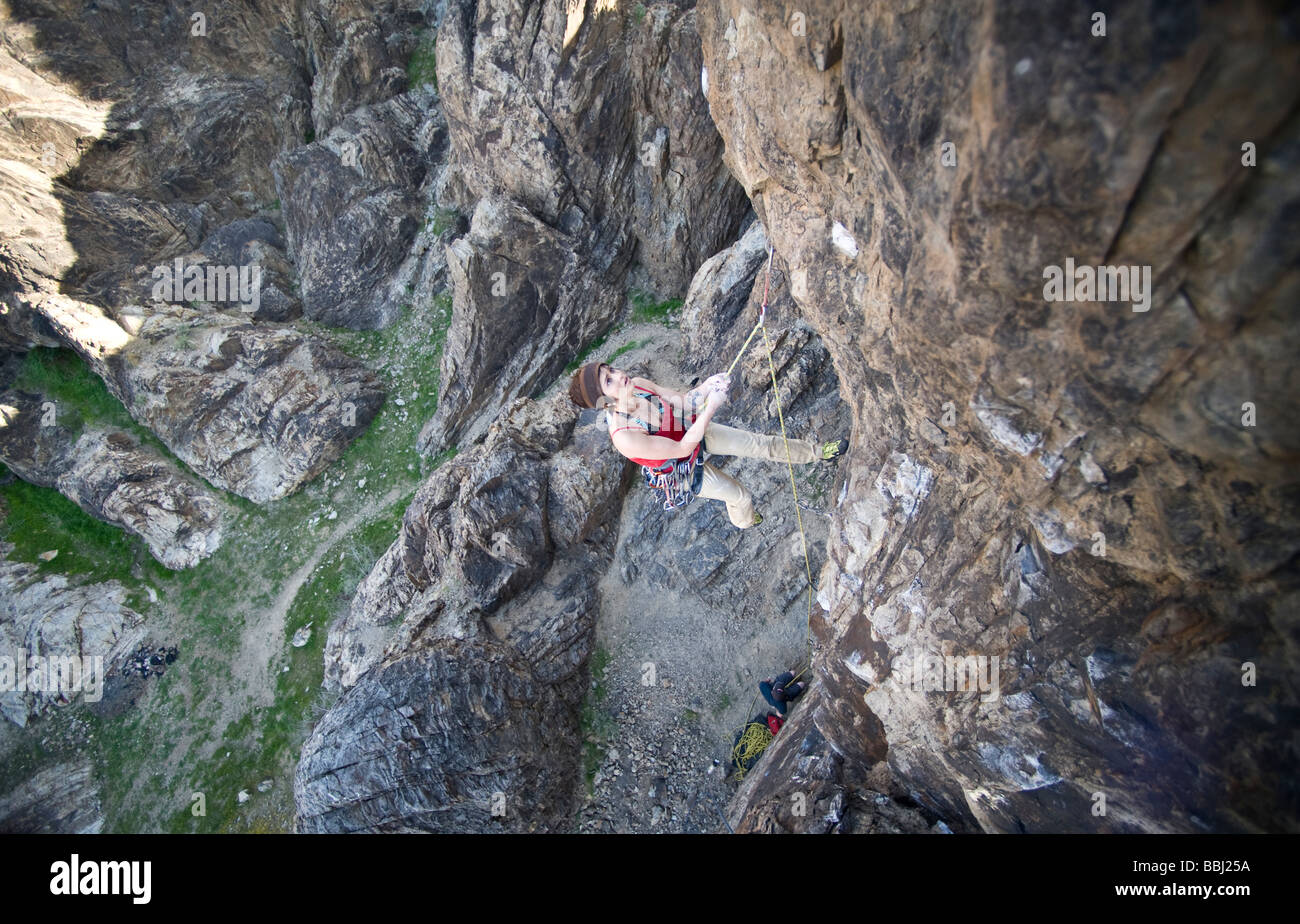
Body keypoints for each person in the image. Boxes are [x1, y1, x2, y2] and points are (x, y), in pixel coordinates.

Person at [567, 361, 846, 528]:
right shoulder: (625, 437)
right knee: (740, 496)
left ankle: (820, 453)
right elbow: (680, 450)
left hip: (690, 429)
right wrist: (711, 406)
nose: (619, 376)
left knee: (762, 444)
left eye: (611, 369)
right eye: (608, 380)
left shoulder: (639, 384)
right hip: (681, 470)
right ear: (604, 402)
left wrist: (705, 389)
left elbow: (681, 401)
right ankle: (747, 521)